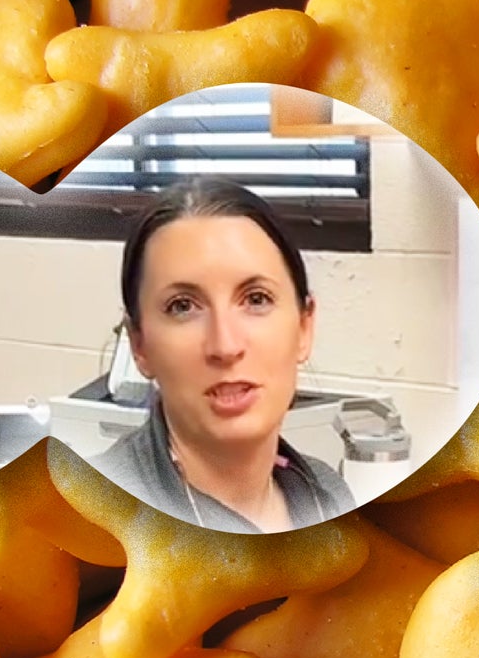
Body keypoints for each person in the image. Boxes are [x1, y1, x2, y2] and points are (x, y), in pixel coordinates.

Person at [91, 176, 356, 533]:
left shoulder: (327, 496)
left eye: (256, 299)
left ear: (304, 328)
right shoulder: (92, 517)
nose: (225, 346)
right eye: (182, 306)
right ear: (140, 344)